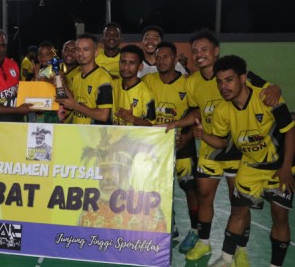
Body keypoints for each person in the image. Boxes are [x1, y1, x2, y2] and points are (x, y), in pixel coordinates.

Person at [165, 29, 281, 263]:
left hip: (237, 151)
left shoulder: (236, 74)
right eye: (195, 51)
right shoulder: (192, 82)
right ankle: (205, 244)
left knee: (239, 203)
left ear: (216, 51)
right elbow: (196, 110)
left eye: (204, 49)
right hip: (210, 147)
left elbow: (270, 89)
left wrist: (276, 88)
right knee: (204, 197)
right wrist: (177, 124)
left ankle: (241, 250)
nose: (199, 55)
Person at [195, 55, 294, 267]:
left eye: (229, 80)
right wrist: (203, 135)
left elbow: (290, 130)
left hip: (280, 167)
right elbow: (222, 142)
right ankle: (226, 259)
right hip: (250, 165)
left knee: (280, 215)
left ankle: (275, 265)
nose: (224, 86)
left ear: (243, 79)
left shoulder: (267, 98)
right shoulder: (223, 110)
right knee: (238, 209)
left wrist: (286, 167)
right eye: (220, 82)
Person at [142, 41, 199, 253]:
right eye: (158, 57)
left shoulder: (186, 83)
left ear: (175, 59)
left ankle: (195, 230)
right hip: (156, 147)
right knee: (158, 189)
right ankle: (170, 227)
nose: (161, 60)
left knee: (190, 189)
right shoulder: (147, 80)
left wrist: (188, 136)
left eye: (166, 56)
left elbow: (197, 114)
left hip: (182, 145)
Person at [55, 33, 113, 125]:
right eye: (77, 49)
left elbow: (103, 115)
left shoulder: (103, 78)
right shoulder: (78, 76)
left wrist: (75, 105)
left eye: (86, 49)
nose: (80, 53)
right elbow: (74, 102)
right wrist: (62, 84)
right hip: (79, 134)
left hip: (95, 137)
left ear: (96, 53)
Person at [112, 44, 155, 126]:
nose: (126, 67)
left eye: (131, 63)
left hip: (135, 138)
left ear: (140, 66)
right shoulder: (113, 85)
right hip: (112, 137)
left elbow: (151, 125)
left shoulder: (146, 93)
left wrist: (132, 118)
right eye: (123, 62)